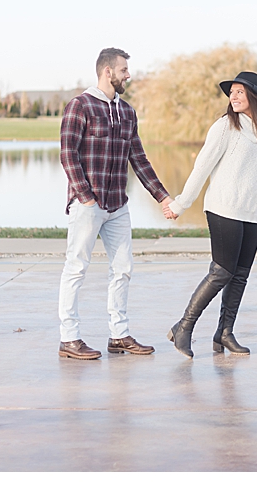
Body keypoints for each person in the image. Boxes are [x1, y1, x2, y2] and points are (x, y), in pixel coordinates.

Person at [57, 47, 174, 360]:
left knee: (122, 270)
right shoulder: (79, 105)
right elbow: (68, 154)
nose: (128, 76)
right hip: (87, 204)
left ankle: (119, 335)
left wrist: (162, 196)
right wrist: (85, 195)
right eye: (124, 70)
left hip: (118, 205)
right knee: (77, 268)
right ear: (107, 72)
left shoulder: (127, 112)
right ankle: (69, 339)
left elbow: (138, 158)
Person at [163, 71, 257, 358]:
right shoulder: (225, 126)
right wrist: (180, 204)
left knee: (240, 276)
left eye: (240, 92)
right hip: (223, 208)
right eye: (232, 92)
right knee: (221, 272)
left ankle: (224, 333)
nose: (234, 97)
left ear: (254, 97)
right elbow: (201, 167)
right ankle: (184, 327)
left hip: (252, 213)